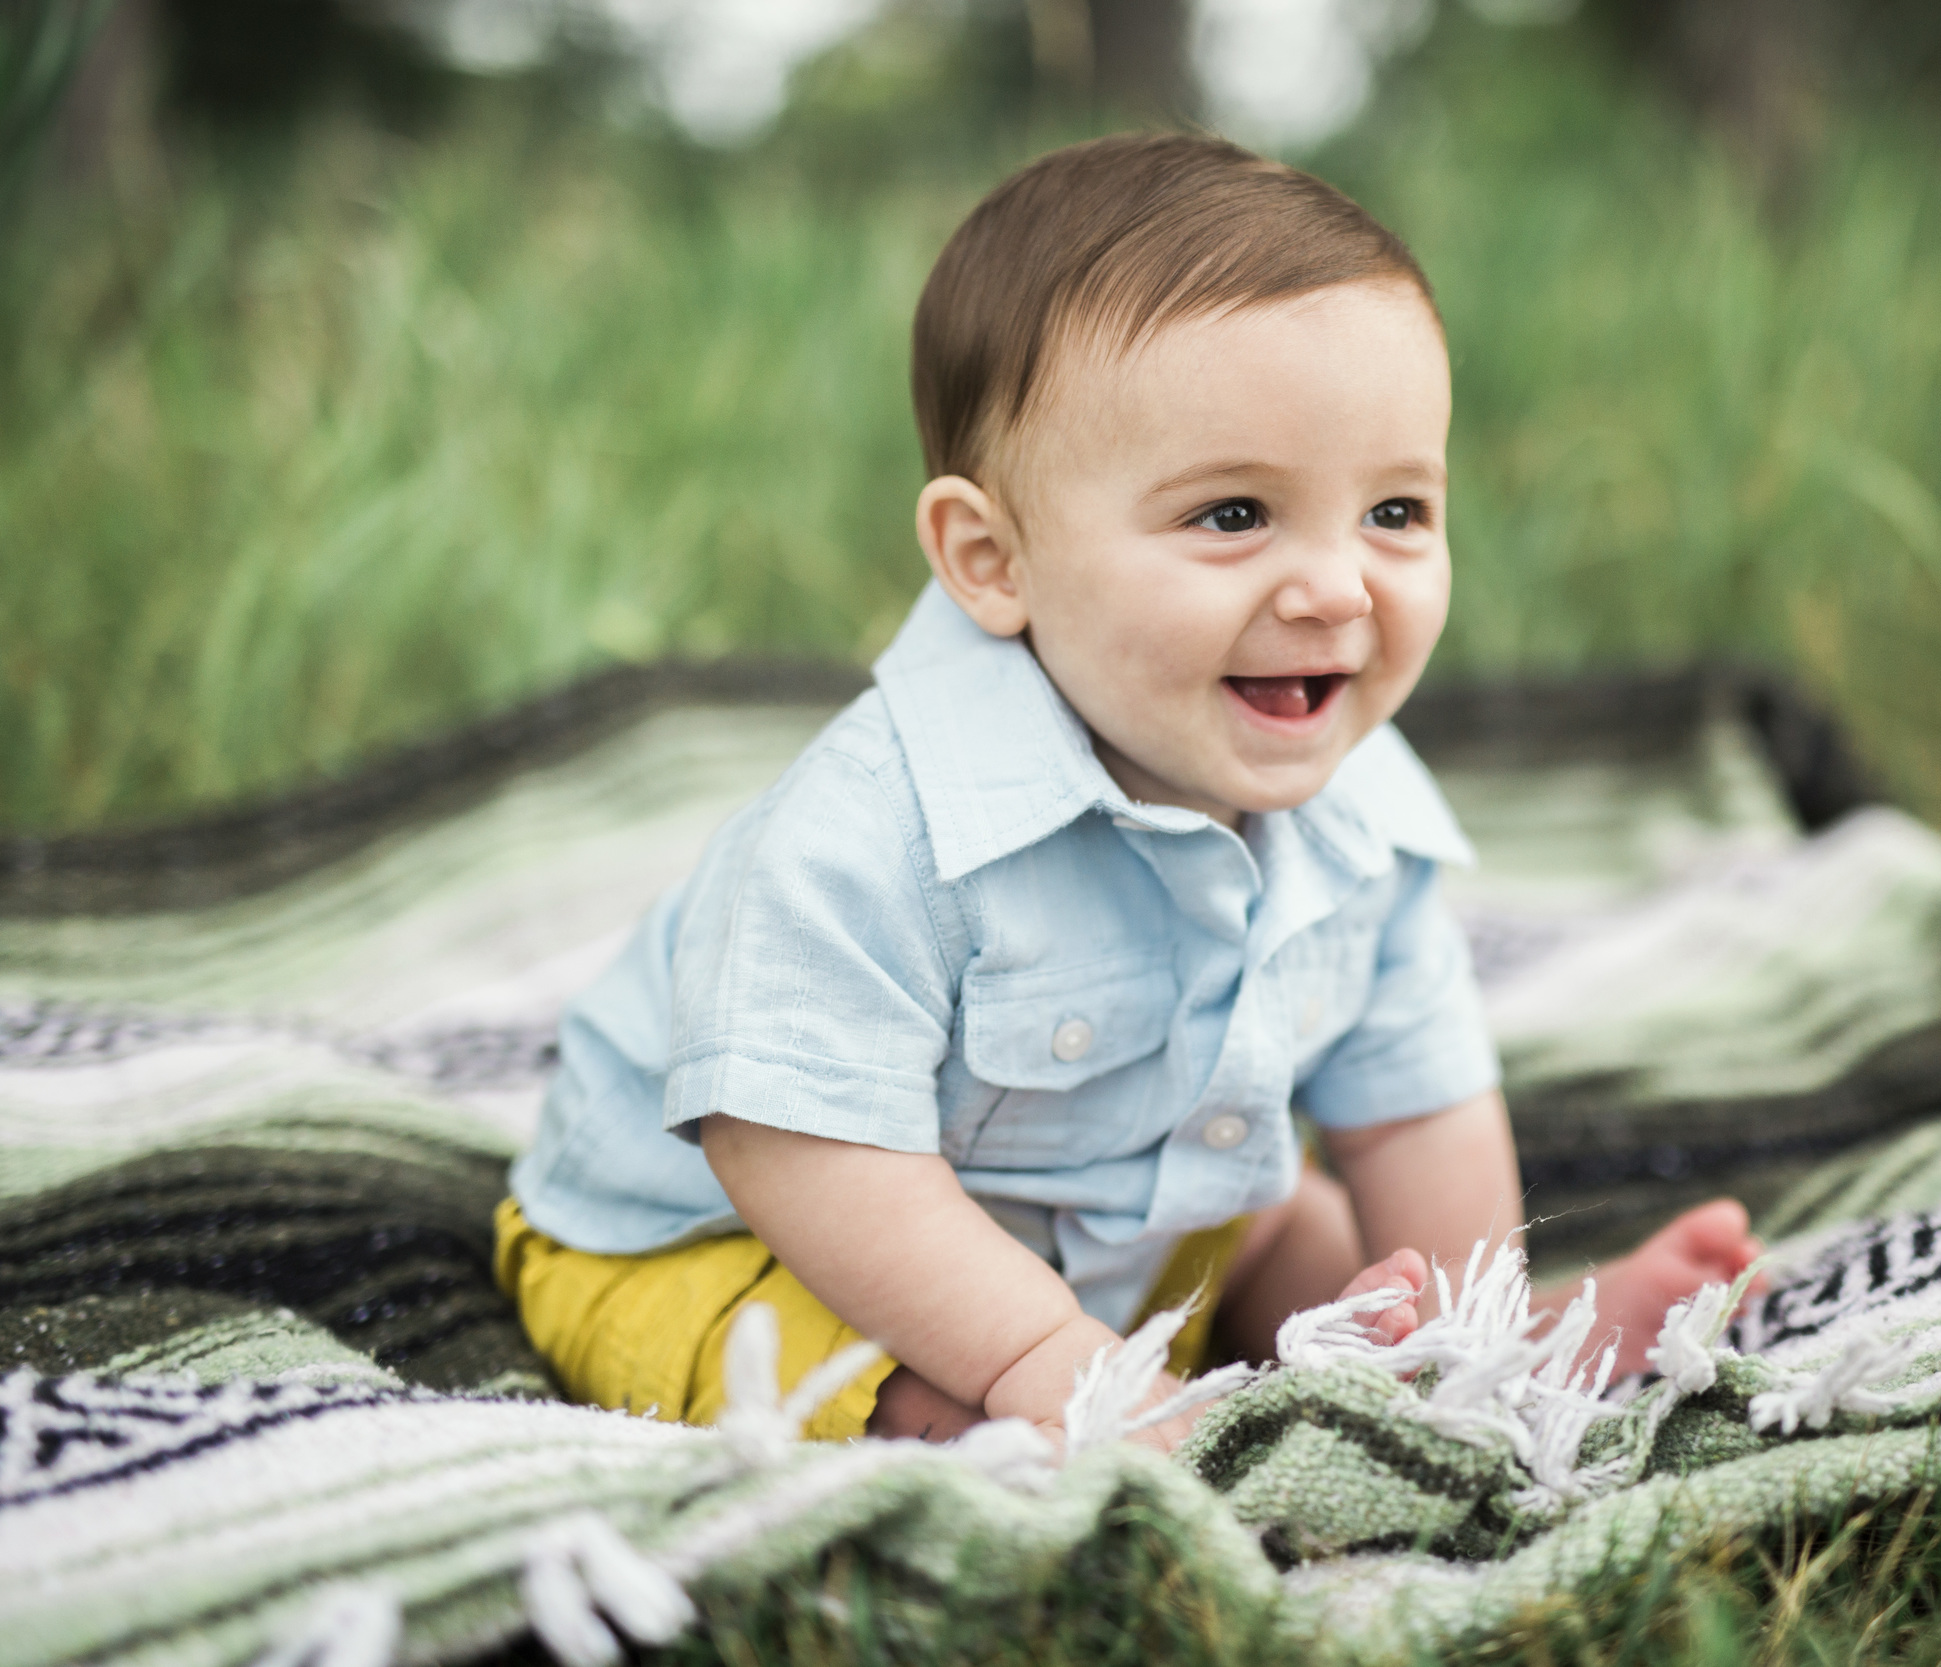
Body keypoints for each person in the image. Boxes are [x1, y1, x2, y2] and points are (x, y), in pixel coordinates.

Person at [493, 132, 1760, 1449]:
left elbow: (1416, 1104)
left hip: (1110, 1213)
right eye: (1232, 516)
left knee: (1288, 1221)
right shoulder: (879, 831)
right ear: (992, 560)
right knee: (884, 1390)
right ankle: (1082, 1420)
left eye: (1394, 513)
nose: (1336, 588)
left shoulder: (1361, 812)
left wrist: (1473, 1326)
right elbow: (790, 1148)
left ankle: (1467, 1359)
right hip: (723, 1237)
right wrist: (1051, 1358)